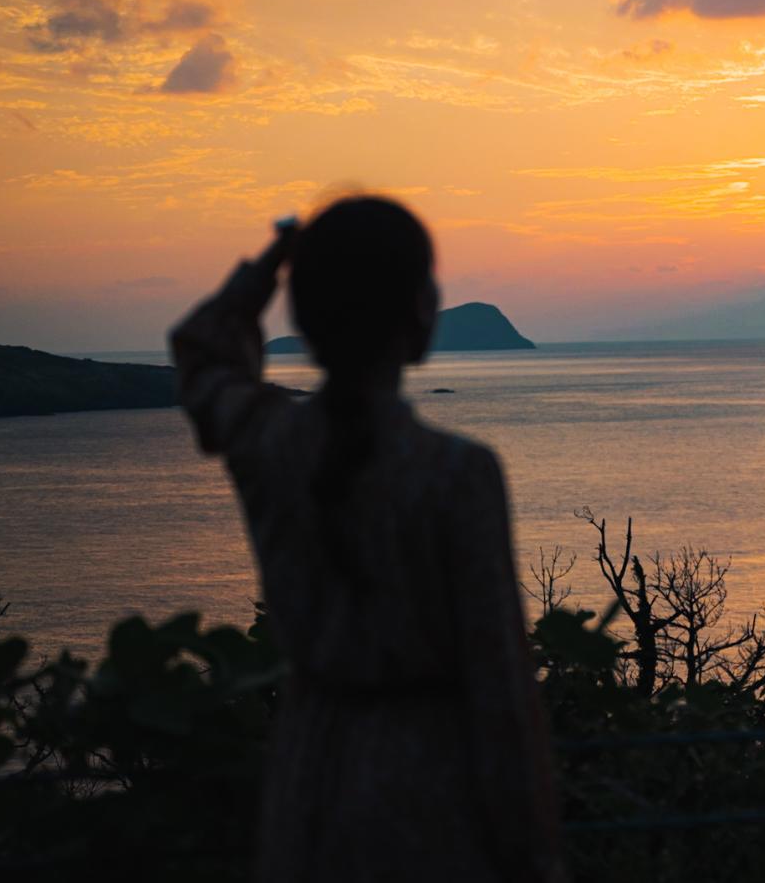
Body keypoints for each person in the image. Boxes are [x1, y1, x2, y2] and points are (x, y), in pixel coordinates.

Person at [169, 196, 563, 882]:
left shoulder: (268, 440)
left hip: (306, 780)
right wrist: (534, 855)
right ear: (419, 311)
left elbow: (203, 352)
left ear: (304, 320)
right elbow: (501, 689)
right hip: (428, 794)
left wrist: (269, 265)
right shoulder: (456, 474)